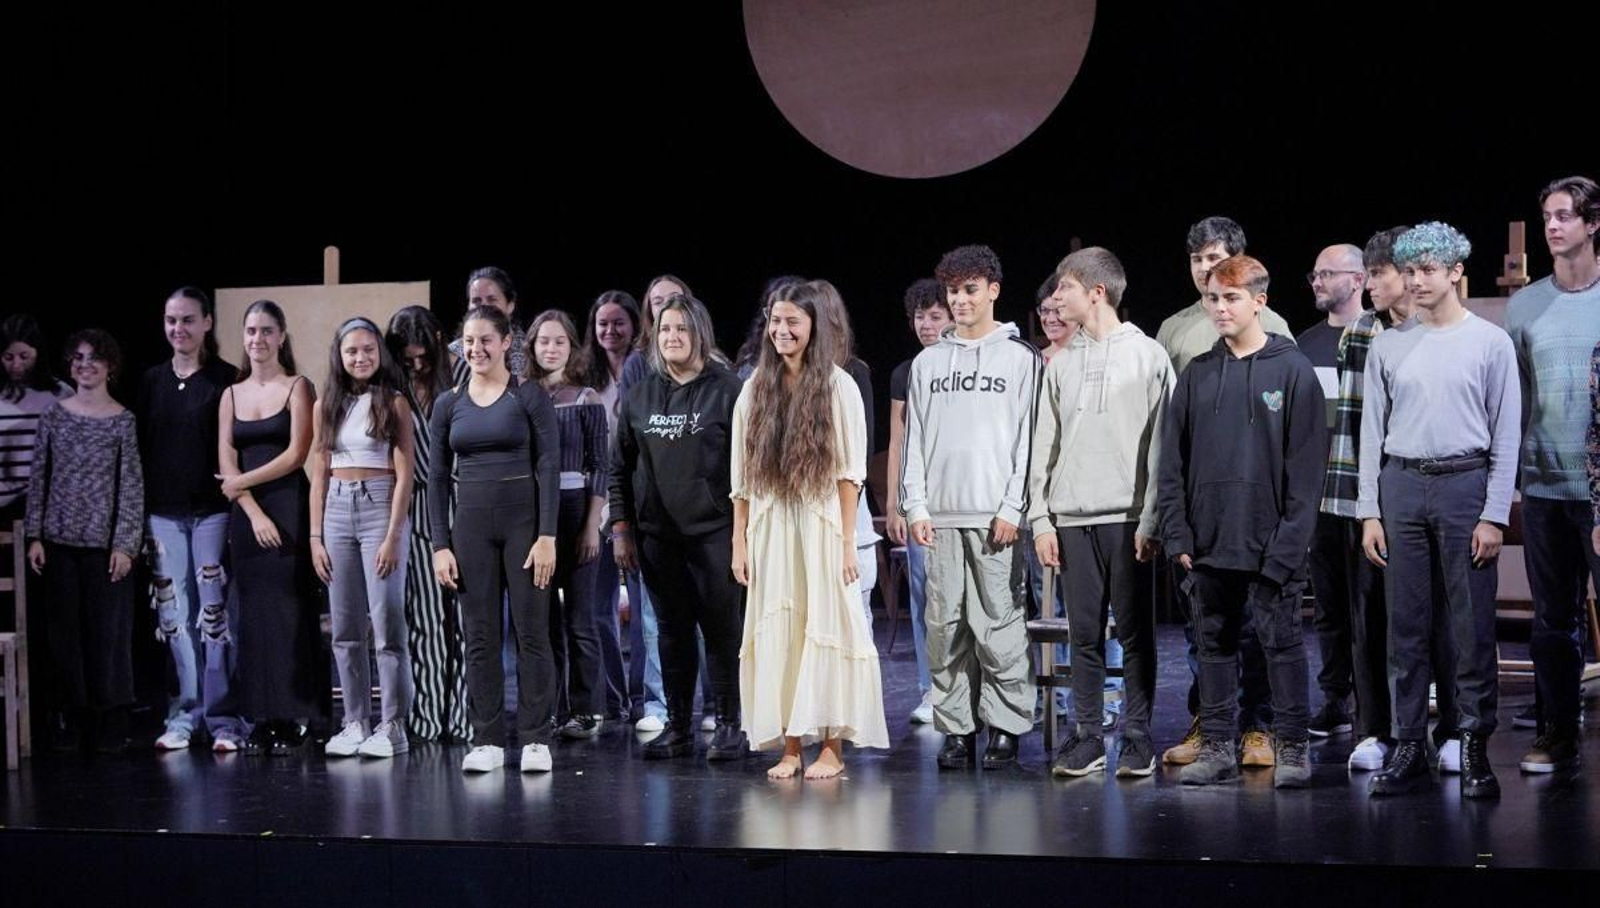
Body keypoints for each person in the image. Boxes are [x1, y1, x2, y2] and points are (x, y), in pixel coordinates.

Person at [1361, 222, 1518, 799]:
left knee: (1470, 625)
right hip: (1401, 484)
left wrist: (1494, 513)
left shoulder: (1489, 342)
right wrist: (1369, 511)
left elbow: (1506, 434)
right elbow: (1371, 432)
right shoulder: (1388, 344)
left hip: (1464, 485)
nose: (1416, 279)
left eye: (1428, 268)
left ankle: (1474, 741)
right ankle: (1408, 743)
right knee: (1404, 625)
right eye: (1410, 270)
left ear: (1455, 271)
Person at [1157, 255, 1326, 789]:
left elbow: (1306, 469)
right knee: (1214, 648)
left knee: (1280, 645)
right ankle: (1218, 747)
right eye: (1213, 298)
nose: (1220, 308)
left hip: (1270, 541)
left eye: (1231, 298)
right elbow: (1172, 462)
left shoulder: (1291, 370)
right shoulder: (1199, 374)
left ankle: (1293, 748)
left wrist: (1290, 543)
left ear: (1260, 301)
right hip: (1208, 543)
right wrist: (1177, 531)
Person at [733, 279, 888, 779]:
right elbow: (741, 477)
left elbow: (850, 472)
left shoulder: (838, 385)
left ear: (813, 326)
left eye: (792, 322)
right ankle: (791, 744)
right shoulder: (756, 387)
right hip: (773, 524)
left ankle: (832, 746)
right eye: (775, 321)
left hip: (822, 523)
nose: (781, 330)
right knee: (783, 628)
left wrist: (847, 541)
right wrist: (740, 540)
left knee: (827, 623)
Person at [1030, 247, 1171, 778]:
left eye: (1063, 287)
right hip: (1072, 517)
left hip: (1129, 516)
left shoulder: (1149, 355)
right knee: (1082, 633)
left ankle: (1137, 735)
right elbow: (1044, 445)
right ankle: (1086, 735)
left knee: (1134, 632)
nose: (1053, 298)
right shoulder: (1061, 362)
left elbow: (1163, 448)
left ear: (1096, 292)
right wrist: (1041, 519)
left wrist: (1154, 519)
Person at [1155, 216, 1288, 767]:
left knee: (1257, 627)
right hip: (1200, 501)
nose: (1206, 273)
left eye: (1214, 260)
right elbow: (1169, 428)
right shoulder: (1175, 329)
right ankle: (1208, 723)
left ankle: (1258, 725)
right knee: (1200, 628)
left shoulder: (1271, 321)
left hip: (1255, 500)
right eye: (1197, 261)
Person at [901, 244, 1039, 770]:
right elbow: (915, 440)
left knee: (998, 626)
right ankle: (958, 728)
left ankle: (1005, 727)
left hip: (994, 516)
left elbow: (1027, 439)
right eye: (953, 291)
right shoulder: (928, 362)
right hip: (940, 516)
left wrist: (1013, 506)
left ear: (993, 292)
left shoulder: (1018, 357)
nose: (959, 300)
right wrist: (915, 506)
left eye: (969, 290)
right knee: (945, 628)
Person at [611, 293, 748, 760]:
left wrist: (741, 536)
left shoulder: (728, 390)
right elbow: (619, 468)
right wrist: (622, 528)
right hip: (657, 537)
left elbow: (746, 469)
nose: (672, 337)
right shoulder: (640, 394)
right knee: (670, 632)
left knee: (723, 631)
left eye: (681, 329)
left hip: (716, 533)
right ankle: (679, 726)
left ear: (700, 334)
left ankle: (731, 725)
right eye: (665, 329)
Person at [428, 305, 560, 774]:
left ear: (508, 343)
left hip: (525, 527)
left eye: (486, 339)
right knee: (479, 637)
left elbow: (548, 466)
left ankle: (535, 739)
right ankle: (485, 738)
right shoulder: (448, 404)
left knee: (531, 633)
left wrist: (547, 535)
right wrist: (440, 544)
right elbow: (439, 478)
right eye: (469, 341)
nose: (476, 349)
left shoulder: (529, 397)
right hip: (471, 531)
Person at [1504, 175, 1600, 774]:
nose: (1554, 227)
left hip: (1599, 490)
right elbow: (1515, 397)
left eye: (1565, 216)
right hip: (1543, 483)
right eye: (1547, 218)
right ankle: (1557, 732)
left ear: (1593, 224)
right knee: (1552, 620)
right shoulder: (1525, 305)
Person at [136, 287, 250, 752]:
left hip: (212, 514)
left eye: (187, 320)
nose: (178, 329)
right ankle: (184, 715)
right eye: (170, 320)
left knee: (214, 615)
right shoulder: (151, 381)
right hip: (164, 516)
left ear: (207, 323)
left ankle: (224, 719)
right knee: (174, 617)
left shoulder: (226, 379)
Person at [25, 329, 143, 753]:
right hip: (57, 542)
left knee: (106, 636)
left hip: (103, 545)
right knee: (64, 637)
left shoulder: (123, 420)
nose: (85, 364)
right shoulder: (55, 416)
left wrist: (125, 544)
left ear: (110, 366)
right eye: (77, 358)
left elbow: (130, 485)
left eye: (94, 358)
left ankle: (108, 722)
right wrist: (35, 534)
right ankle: (70, 720)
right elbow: (39, 477)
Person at [310, 317, 417, 758]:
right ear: (339, 355)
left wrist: (393, 534)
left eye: (369, 349)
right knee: (344, 627)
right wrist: (315, 535)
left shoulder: (393, 402)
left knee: (387, 623)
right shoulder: (326, 405)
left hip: (379, 506)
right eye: (352, 350)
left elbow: (406, 473)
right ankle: (355, 721)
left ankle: (393, 725)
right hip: (336, 508)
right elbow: (318, 471)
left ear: (380, 353)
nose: (360, 358)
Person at [218, 300, 322, 755]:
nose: (257, 339)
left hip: (289, 506)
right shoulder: (231, 393)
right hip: (249, 516)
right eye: (250, 331)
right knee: (253, 615)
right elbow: (225, 456)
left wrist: (241, 483)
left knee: (290, 613)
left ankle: (297, 714)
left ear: (281, 336)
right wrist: (250, 508)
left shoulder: (299, 386)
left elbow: (297, 453)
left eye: (266, 331)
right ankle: (261, 716)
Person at [385, 305, 471, 742]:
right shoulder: (391, 387)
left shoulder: (463, 380)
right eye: (408, 359)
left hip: (466, 503)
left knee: (468, 618)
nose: (417, 366)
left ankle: (462, 718)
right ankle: (428, 716)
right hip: (417, 506)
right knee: (426, 618)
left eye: (423, 357)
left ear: (438, 343)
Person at [525, 310, 610, 739]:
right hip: (533, 514)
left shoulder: (586, 398)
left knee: (580, 619)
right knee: (542, 623)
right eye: (543, 341)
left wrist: (592, 523)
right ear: (532, 347)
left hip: (576, 509)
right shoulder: (521, 396)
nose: (551, 349)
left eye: (559, 341)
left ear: (571, 347)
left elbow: (599, 466)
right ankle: (552, 709)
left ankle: (586, 709)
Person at [1299, 243, 1369, 740]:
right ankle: (1335, 697)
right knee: (1329, 603)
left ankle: (1375, 699)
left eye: (1328, 273)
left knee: (1371, 602)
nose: (1318, 282)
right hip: (1321, 498)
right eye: (1315, 274)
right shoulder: (1305, 346)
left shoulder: (1381, 336)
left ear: (1360, 279)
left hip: (1369, 497)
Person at [884, 278, 951, 726]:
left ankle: (971, 689)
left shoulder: (964, 364)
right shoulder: (905, 372)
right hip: (919, 500)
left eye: (935, 315)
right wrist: (894, 504)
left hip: (962, 497)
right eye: (919, 316)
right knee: (924, 595)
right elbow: (898, 440)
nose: (926, 325)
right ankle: (931, 690)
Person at [577, 290, 641, 723]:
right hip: (594, 502)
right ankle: (615, 699)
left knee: (642, 613)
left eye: (618, 322)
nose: (610, 331)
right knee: (597, 610)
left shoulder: (644, 372)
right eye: (602, 323)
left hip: (636, 501)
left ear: (635, 325)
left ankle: (644, 700)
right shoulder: (585, 376)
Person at [449, 267, 527, 384]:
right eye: (476, 301)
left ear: (510, 305)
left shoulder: (528, 351)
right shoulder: (452, 353)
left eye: (492, 300)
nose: (484, 306)